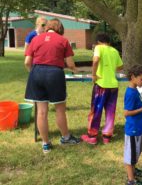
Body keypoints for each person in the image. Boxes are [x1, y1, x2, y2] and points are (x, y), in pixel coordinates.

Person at [24, 18, 81, 153]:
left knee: (42, 112)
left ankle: (45, 143)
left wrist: (32, 72)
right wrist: (75, 70)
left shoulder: (35, 39)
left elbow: (27, 62)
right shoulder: (63, 40)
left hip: (36, 73)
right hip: (54, 74)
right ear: (60, 29)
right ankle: (66, 138)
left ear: (47, 27)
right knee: (60, 109)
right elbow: (71, 64)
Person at [81, 33, 123, 145]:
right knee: (110, 112)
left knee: (96, 110)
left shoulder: (99, 48)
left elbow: (95, 60)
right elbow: (120, 67)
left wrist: (94, 75)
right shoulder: (114, 51)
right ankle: (107, 137)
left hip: (101, 85)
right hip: (113, 86)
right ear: (108, 42)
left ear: (98, 42)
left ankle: (92, 136)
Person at [124, 65, 142, 185]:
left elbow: (136, 103)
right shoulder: (130, 93)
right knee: (130, 157)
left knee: (135, 153)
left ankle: (134, 171)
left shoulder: (135, 90)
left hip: (138, 128)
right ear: (133, 77)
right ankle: (131, 180)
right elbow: (126, 113)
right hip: (133, 130)